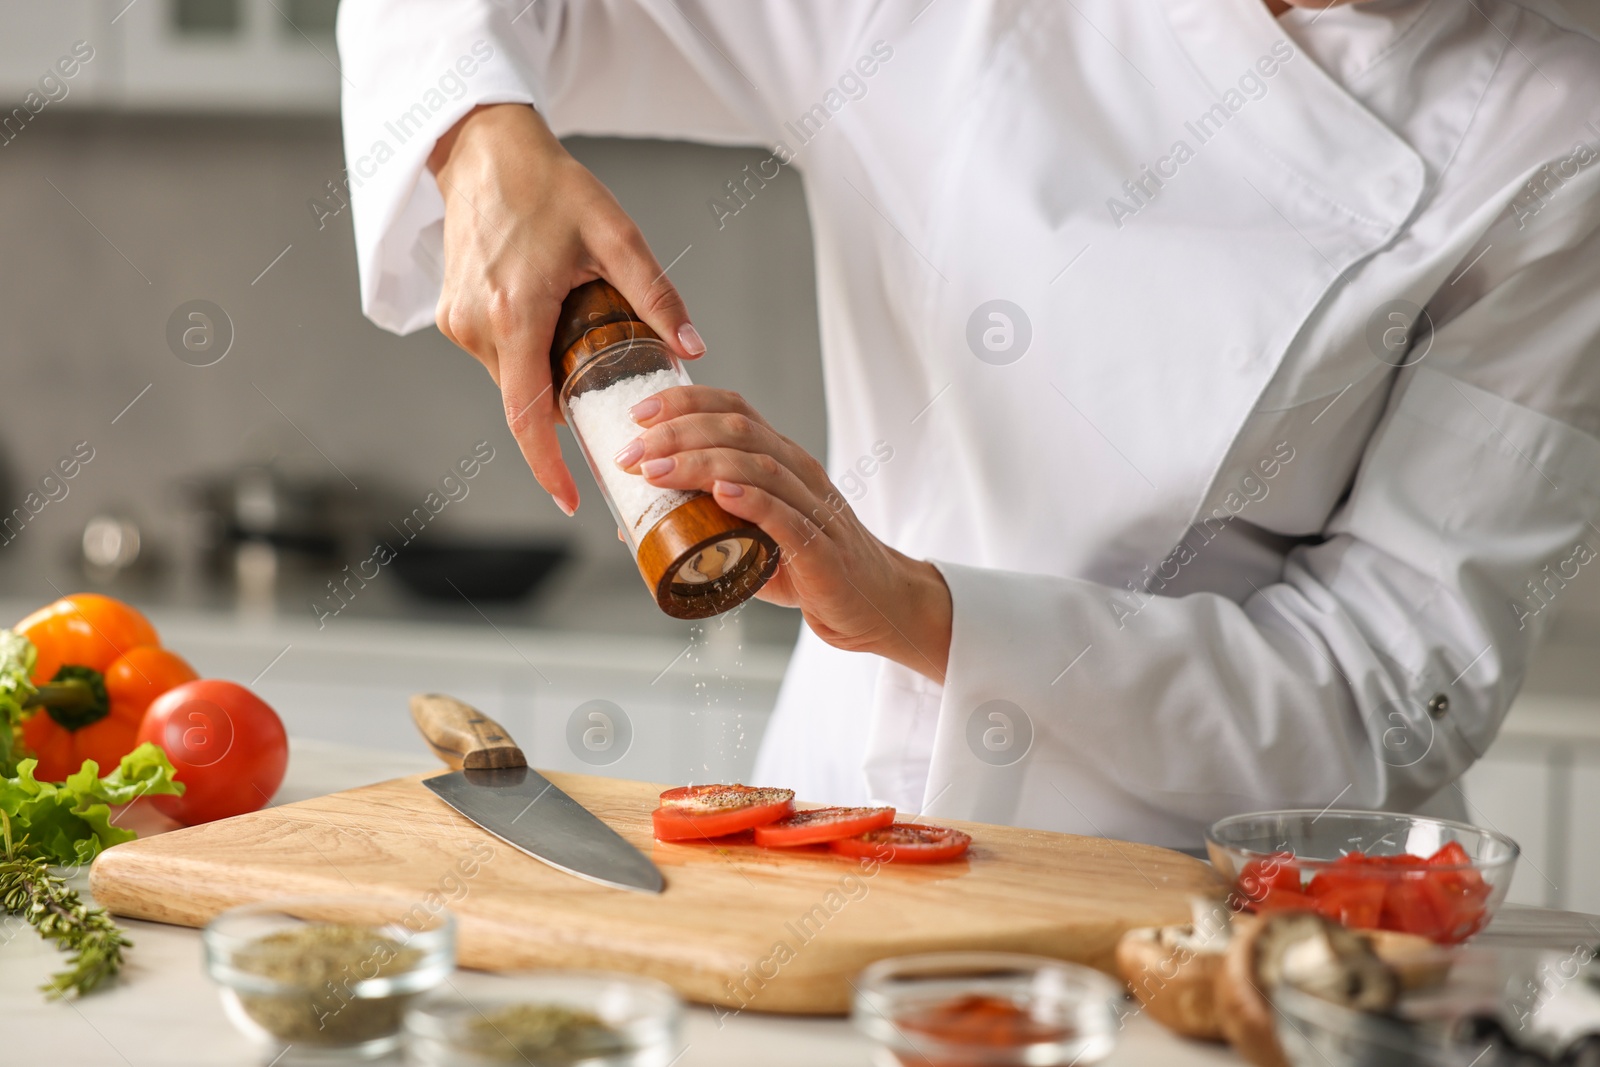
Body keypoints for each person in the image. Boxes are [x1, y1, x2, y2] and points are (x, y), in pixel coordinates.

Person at [336, 0, 1600, 847]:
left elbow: (1373, 699)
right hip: (839, 825)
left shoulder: (1557, 141)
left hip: (1216, 893)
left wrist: (914, 606)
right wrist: (478, 138)